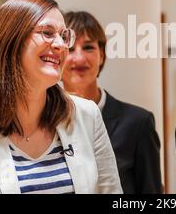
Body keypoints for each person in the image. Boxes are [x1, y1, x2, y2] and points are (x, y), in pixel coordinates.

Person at [0, 0, 122, 194]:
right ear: (10, 43)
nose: (61, 45)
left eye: (63, 36)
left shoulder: (88, 116)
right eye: (47, 33)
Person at [61, 11, 162, 194]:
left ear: (101, 55)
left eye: (88, 47)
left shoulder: (138, 123)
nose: (79, 58)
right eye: (70, 49)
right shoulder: (40, 122)